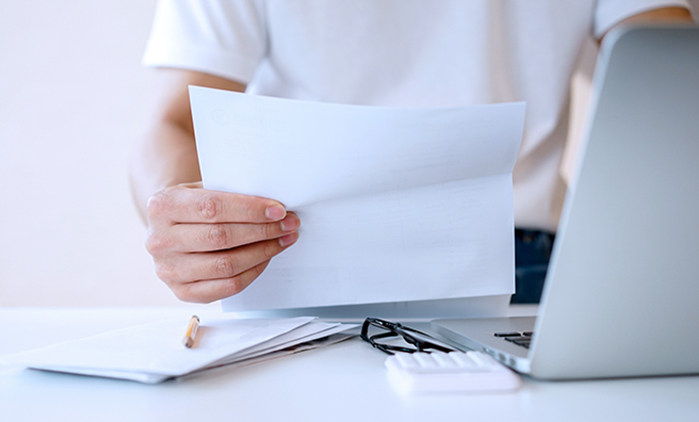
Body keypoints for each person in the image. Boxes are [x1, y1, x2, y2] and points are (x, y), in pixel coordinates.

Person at [130, 0, 693, 305]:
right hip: (293, 261)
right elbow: (173, 124)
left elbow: (669, 75)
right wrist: (182, 217)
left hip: (525, 272)